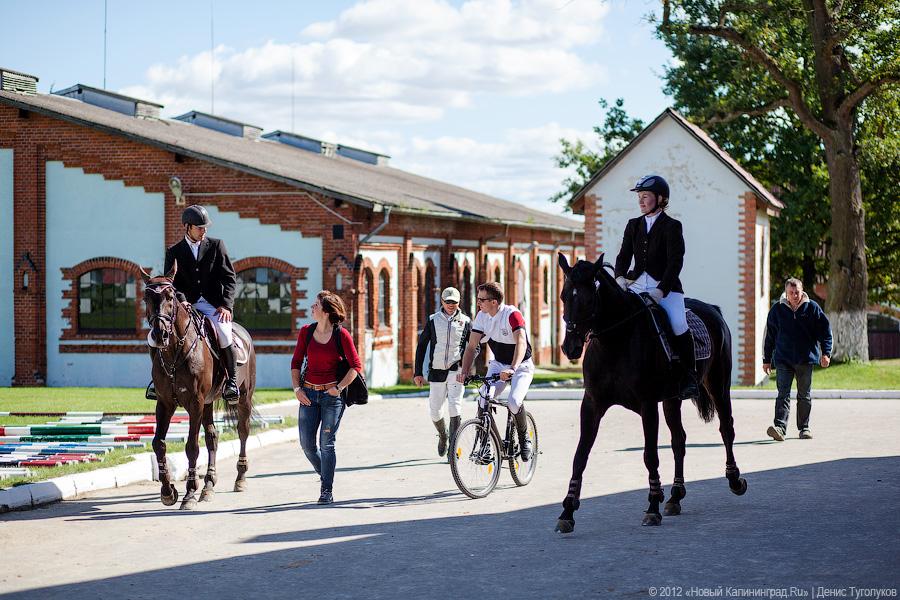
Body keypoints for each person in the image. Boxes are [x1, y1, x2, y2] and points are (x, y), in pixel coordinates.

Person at [614, 174, 699, 400]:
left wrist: (661, 291)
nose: (641, 201)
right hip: (637, 285)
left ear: (660, 199)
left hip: (666, 288)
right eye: (639, 197)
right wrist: (620, 277)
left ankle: (690, 376)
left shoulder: (672, 226)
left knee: (679, 324)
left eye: (646, 197)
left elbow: (675, 262)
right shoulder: (633, 225)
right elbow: (623, 256)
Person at [146, 205, 239, 402]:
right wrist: (182, 300)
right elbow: (172, 283)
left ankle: (231, 382)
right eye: (200, 227)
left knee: (224, 332)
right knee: (153, 337)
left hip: (213, 304)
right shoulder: (174, 251)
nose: (204, 231)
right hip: (184, 306)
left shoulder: (216, 245)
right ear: (188, 227)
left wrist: (226, 306)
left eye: (205, 227)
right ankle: (156, 381)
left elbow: (229, 278)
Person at [290, 290, 362, 504]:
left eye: (316, 305)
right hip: (308, 395)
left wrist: (338, 388)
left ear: (326, 311)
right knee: (307, 445)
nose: (312, 308)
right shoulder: (306, 332)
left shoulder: (342, 335)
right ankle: (326, 475)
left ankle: (326, 490)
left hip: (332, 397)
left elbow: (355, 367)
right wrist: (297, 389)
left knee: (327, 444)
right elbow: (295, 363)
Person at [457, 282, 533, 461]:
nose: (478, 303)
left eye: (481, 299)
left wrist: (513, 368)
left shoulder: (512, 314)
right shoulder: (482, 317)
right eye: (478, 299)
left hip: (521, 365)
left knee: (514, 402)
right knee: (483, 396)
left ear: (494, 302)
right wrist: (465, 371)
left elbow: (521, 342)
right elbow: (471, 347)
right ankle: (488, 445)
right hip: (498, 364)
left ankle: (524, 439)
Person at [763, 278, 833, 441]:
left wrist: (826, 353)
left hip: (805, 359)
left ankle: (804, 428)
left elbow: (825, 332)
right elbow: (769, 337)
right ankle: (780, 428)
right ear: (786, 293)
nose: (794, 295)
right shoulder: (777, 310)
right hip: (783, 359)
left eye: (797, 292)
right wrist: (766, 359)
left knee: (804, 395)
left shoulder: (813, 308)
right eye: (791, 293)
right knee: (783, 394)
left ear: (802, 292)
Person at [414, 286, 472, 460]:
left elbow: (474, 347)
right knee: (435, 410)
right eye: (448, 302)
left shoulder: (466, 321)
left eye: (454, 302)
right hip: (437, 371)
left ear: (458, 302)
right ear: (442, 302)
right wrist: (418, 372)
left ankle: (453, 447)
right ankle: (444, 435)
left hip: (457, 371)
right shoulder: (433, 320)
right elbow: (422, 346)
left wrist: (466, 367)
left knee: (455, 406)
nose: (451, 305)